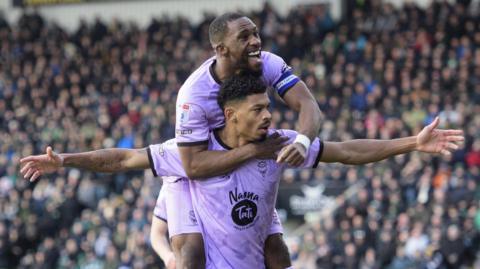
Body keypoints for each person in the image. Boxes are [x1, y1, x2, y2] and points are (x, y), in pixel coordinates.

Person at [21, 74, 464, 268]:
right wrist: (66, 161)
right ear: (230, 116)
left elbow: (346, 152)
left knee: (280, 255)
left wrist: (412, 143)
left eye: (269, 105)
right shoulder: (187, 152)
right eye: (258, 109)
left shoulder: (280, 144)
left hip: (253, 253)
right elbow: (122, 159)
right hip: (207, 260)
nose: (269, 115)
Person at [172, 12, 323, 266]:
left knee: (276, 251)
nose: (255, 41)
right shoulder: (192, 95)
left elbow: (308, 104)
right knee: (192, 254)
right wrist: (253, 151)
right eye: (244, 37)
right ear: (221, 49)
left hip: (245, 166)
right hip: (197, 176)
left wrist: (303, 141)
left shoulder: (266, 63)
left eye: (255, 33)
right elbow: (193, 166)